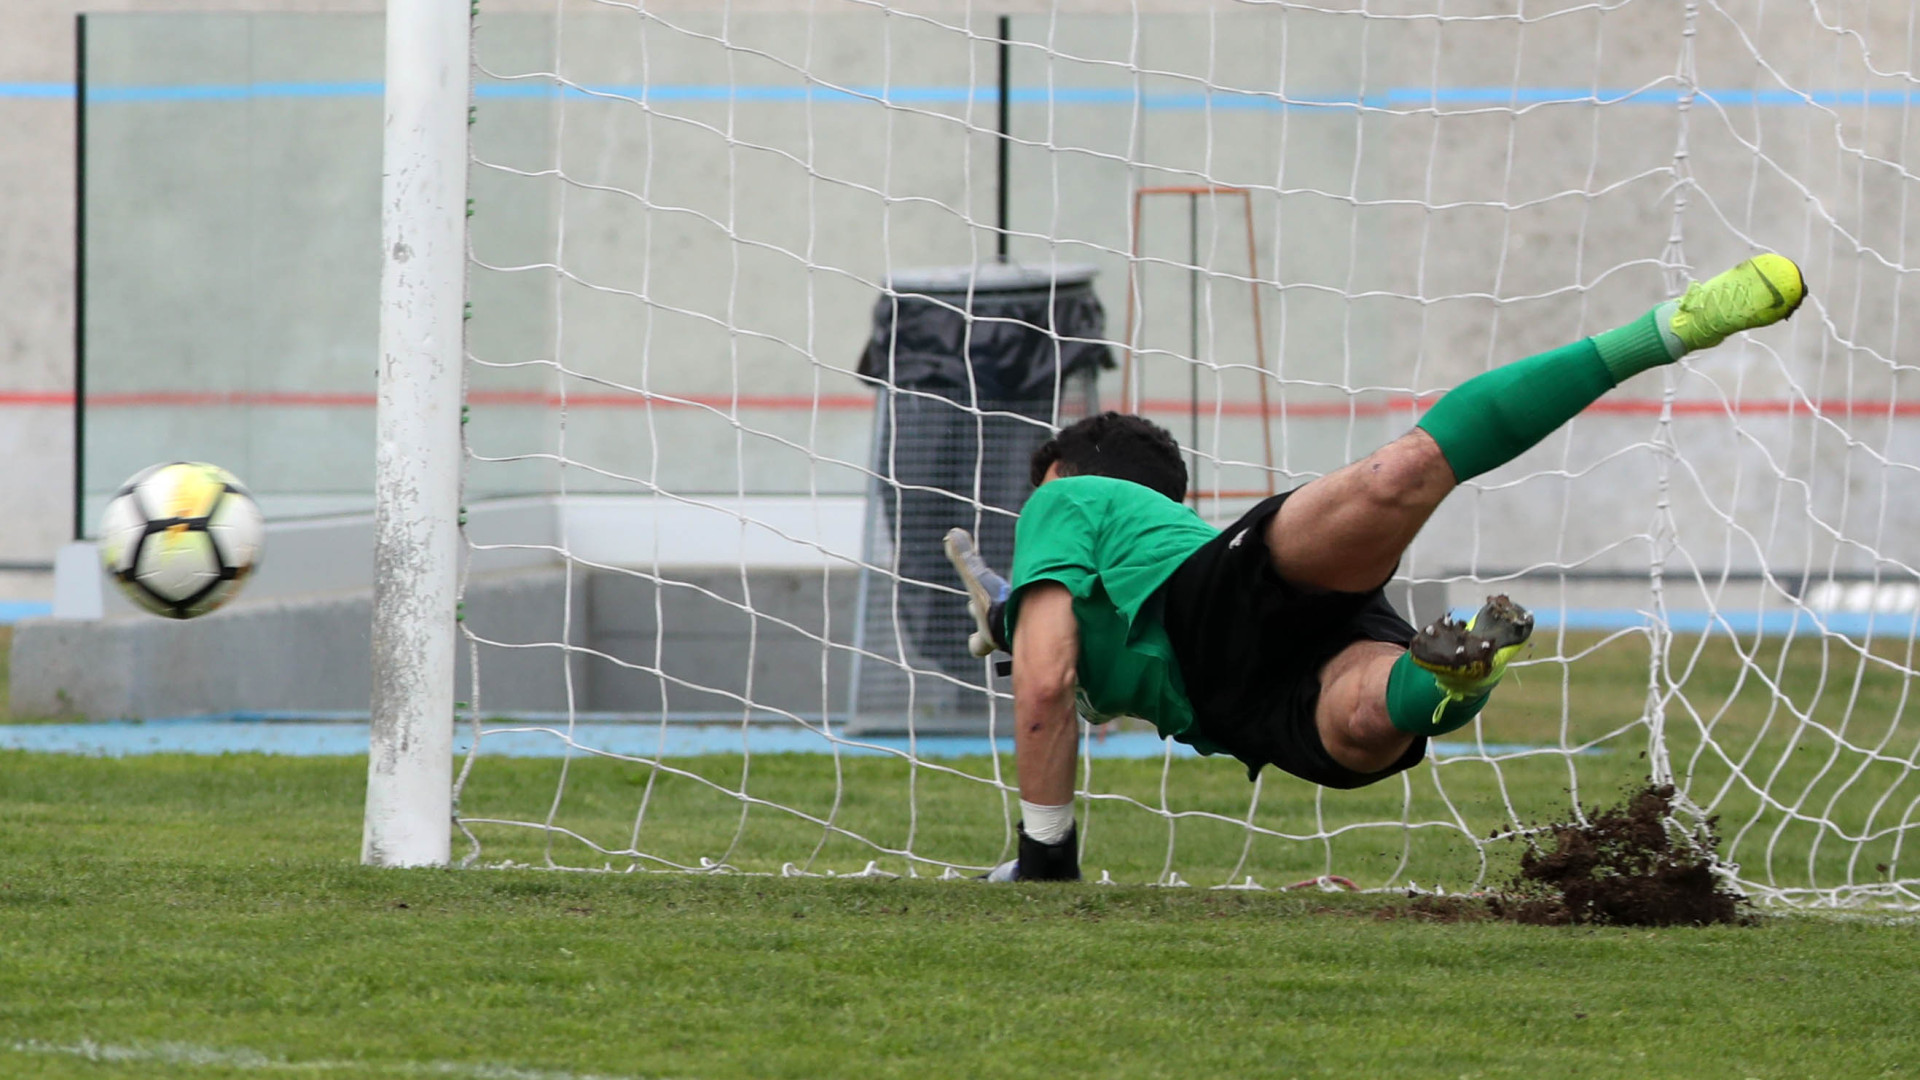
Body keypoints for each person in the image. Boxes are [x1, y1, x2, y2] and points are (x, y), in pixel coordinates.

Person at [941, 254, 1807, 881]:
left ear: (1071, 479)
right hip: (1234, 687)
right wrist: (1014, 622)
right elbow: (1065, 663)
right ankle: (1450, 677)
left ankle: (1667, 329)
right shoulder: (1080, 579)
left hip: (1214, 607)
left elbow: (1050, 690)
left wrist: (1045, 856)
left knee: (1397, 476)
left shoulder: (1067, 498)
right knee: (1365, 717)